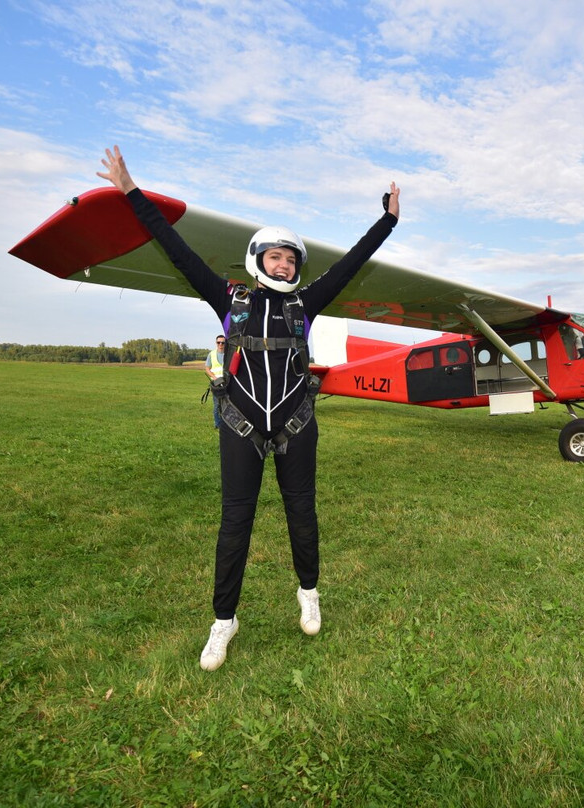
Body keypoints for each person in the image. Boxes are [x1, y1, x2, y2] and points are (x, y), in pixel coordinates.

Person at [98, 146, 400, 671]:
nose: (283, 265)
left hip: (296, 423)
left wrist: (387, 222)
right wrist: (130, 190)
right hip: (239, 426)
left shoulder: (306, 303)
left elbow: (353, 263)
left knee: (301, 515)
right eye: (275, 257)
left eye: (291, 259)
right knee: (234, 523)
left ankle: (309, 592)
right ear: (257, 261)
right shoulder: (228, 299)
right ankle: (224, 621)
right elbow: (177, 248)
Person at [204, 335, 225, 428]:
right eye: (218, 342)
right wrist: (215, 378)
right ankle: (218, 424)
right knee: (217, 405)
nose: (220, 344)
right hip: (216, 384)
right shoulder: (211, 354)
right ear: (216, 343)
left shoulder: (229, 354)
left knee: (228, 405)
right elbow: (207, 369)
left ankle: (227, 424)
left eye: (223, 342)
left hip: (227, 383)